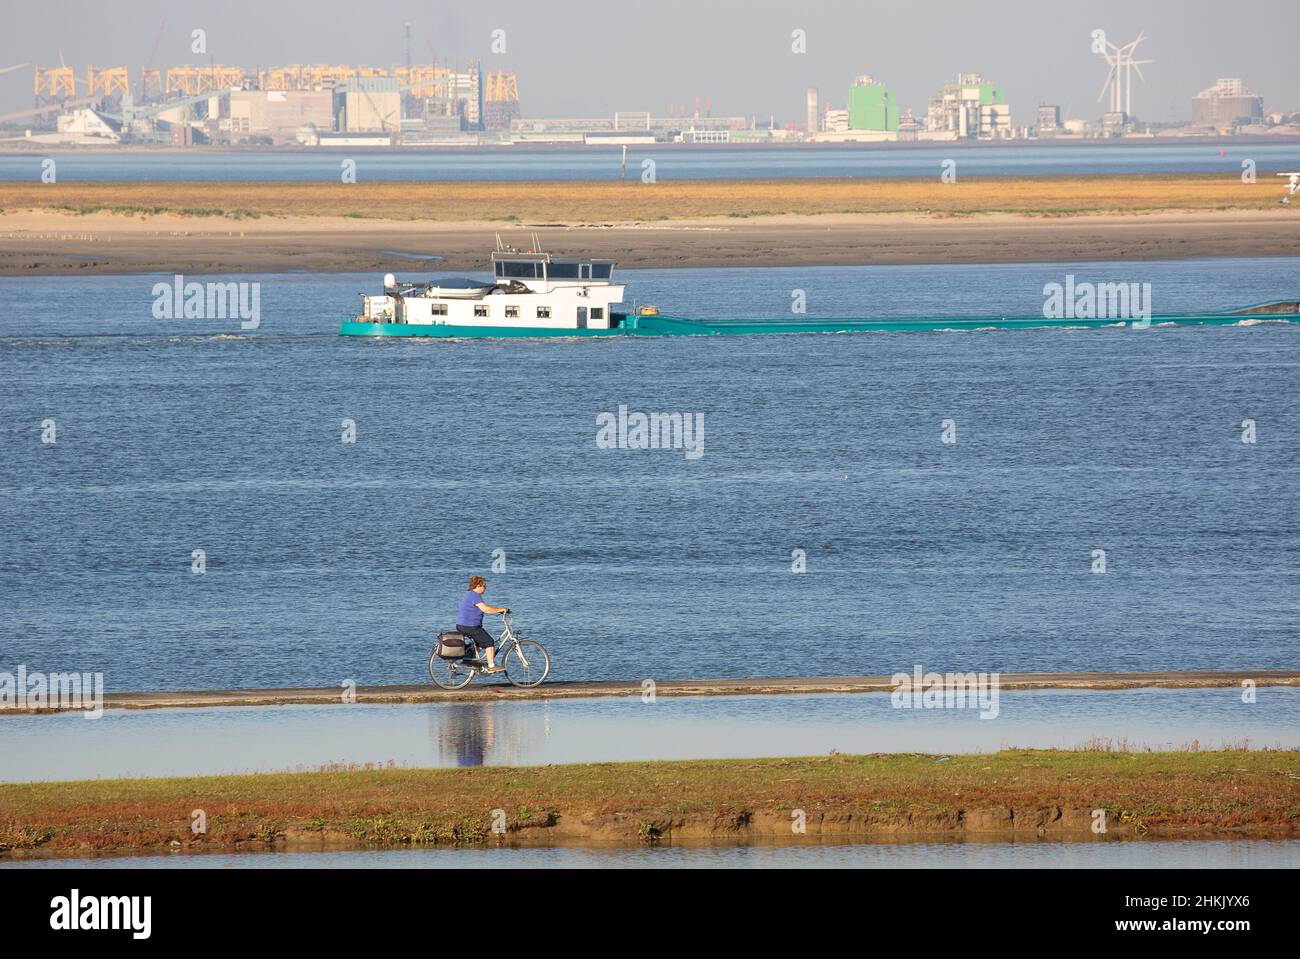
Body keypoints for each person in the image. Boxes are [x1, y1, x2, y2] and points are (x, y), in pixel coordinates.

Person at [457, 575, 510, 673]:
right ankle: (491, 666)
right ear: (477, 585)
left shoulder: (469, 594)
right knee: (489, 642)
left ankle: (468, 658)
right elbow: (485, 609)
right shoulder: (474, 595)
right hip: (470, 627)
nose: (485, 588)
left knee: (480, 642)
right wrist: (501, 610)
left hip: (463, 625)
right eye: (484, 586)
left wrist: (497, 611)